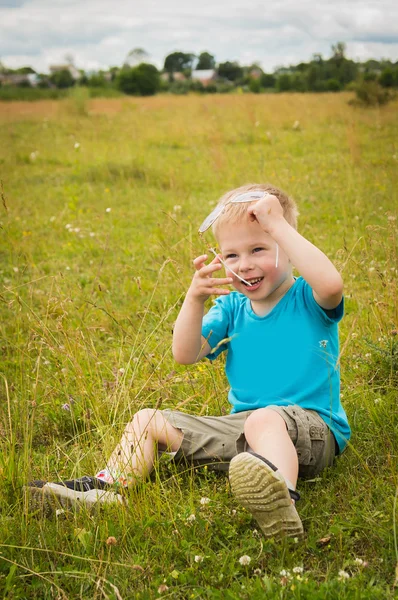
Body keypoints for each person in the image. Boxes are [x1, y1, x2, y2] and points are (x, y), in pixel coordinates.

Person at [26, 183, 350, 539]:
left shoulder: (307, 297)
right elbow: (185, 353)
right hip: (245, 435)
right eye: (231, 255)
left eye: (259, 248)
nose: (245, 265)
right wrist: (194, 299)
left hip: (312, 433)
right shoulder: (231, 307)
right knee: (148, 420)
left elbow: (332, 285)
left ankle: (279, 499)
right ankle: (110, 489)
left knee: (264, 419)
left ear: (288, 247)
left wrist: (278, 225)